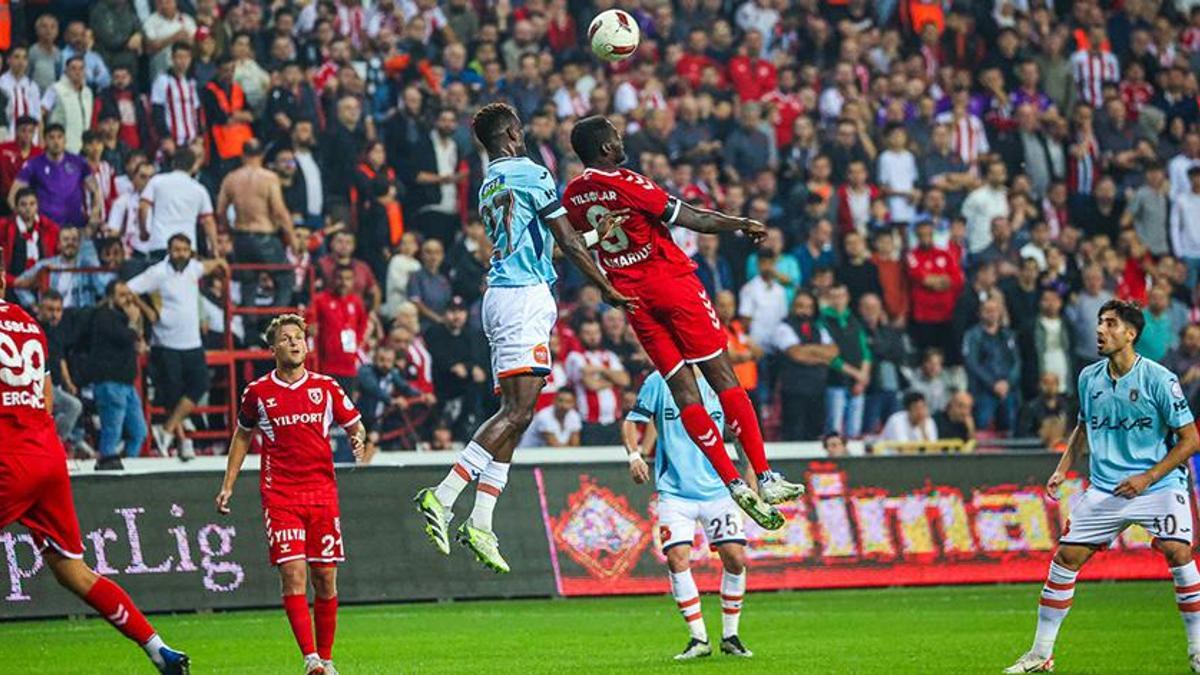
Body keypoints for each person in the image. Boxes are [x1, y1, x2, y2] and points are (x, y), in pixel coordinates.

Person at [413, 102, 633, 574]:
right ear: (512, 133)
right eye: (520, 129)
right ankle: (444, 494)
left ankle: (481, 521)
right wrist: (607, 287)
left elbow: (544, 241)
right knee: (517, 412)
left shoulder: (491, 181)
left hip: (504, 295)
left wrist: (595, 235)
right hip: (523, 299)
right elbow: (565, 244)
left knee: (516, 415)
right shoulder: (532, 173)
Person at [563, 114, 803, 529]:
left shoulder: (572, 196)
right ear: (605, 149)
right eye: (616, 137)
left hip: (633, 300)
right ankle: (764, 478)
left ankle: (733, 483)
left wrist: (602, 284)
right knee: (724, 377)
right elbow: (693, 218)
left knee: (683, 389)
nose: (622, 141)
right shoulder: (627, 181)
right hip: (672, 286)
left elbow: (569, 247)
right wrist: (739, 224)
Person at [0, 260, 189, 673]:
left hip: (8, 455)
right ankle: (158, 648)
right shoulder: (29, 324)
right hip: (47, 455)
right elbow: (46, 396)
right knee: (74, 571)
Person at [1004, 300, 1200, 674]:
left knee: (1178, 552)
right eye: (1099, 323)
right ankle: (1041, 653)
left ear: (1130, 334)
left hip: (1157, 485)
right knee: (1065, 560)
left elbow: (1190, 440)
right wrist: (1063, 468)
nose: (1100, 330)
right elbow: (1083, 427)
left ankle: (1197, 649)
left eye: (1110, 324)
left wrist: (1148, 477)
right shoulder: (1088, 377)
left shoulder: (1160, 379)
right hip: (1108, 488)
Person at [216, 314, 366, 675]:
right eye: (286, 338)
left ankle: (327, 658)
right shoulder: (258, 392)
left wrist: (357, 438)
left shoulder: (326, 387)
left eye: (299, 337)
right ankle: (311, 659)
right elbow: (242, 434)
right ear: (273, 349)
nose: (295, 343)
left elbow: (355, 423)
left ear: (307, 345)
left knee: (325, 579)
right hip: (281, 495)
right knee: (293, 574)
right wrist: (228, 484)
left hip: (322, 495)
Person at [623, 368, 754, 660]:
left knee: (735, 557)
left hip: (719, 489)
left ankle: (730, 636)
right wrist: (634, 455)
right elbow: (633, 422)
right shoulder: (658, 381)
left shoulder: (719, 378)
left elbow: (739, 429)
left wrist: (751, 473)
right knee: (676, 557)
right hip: (674, 492)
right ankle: (698, 638)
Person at [127, 234, 226, 461]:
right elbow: (129, 288)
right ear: (169, 251)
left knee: (201, 384)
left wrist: (220, 263)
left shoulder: (193, 268)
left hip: (192, 343)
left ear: (190, 251)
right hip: (167, 343)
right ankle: (182, 441)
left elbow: (209, 266)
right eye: (176, 249)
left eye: (184, 250)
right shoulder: (158, 273)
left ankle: (168, 430)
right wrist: (148, 310)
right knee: (173, 394)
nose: (180, 254)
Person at [217, 139, 296, 319]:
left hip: (241, 237)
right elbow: (279, 211)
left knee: (249, 284)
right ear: (261, 155)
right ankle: (271, 322)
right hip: (264, 236)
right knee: (286, 278)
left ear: (242, 155)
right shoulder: (268, 178)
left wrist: (230, 232)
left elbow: (220, 211)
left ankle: (251, 334)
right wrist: (292, 240)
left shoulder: (231, 178)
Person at [9, 123, 101, 229]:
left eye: (59, 137)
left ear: (65, 140)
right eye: (51, 137)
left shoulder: (78, 162)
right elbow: (12, 196)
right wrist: (26, 223)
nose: (56, 141)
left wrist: (94, 215)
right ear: (45, 141)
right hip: (46, 230)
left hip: (77, 228)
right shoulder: (34, 164)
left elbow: (95, 191)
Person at [139, 147, 217, 259]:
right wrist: (214, 249)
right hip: (186, 247)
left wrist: (144, 231)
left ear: (173, 163)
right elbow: (208, 221)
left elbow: (143, 206)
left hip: (160, 243)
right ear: (194, 166)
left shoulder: (157, 181)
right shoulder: (199, 189)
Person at [308, 264, 369, 394]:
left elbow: (362, 324)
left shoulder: (356, 302)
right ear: (333, 279)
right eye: (340, 278)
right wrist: (309, 328)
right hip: (326, 367)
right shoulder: (320, 300)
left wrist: (357, 342)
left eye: (348, 279)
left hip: (349, 366)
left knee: (345, 409)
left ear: (353, 281)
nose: (343, 283)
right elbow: (308, 323)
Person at [518, 388, 582, 448]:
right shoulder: (544, 416)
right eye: (560, 401)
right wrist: (570, 448)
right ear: (554, 400)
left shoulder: (574, 416)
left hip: (547, 456)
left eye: (568, 402)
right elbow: (554, 446)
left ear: (574, 404)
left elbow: (575, 445)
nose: (563, 405)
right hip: (527, 455)